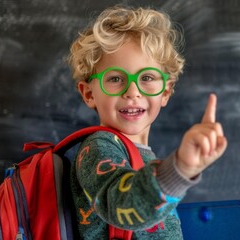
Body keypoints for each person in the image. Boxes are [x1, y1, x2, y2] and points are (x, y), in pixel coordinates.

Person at [66, 5, 227, 239]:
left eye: (148, 78)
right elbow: (122, 205)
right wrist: (180, 169)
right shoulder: (98, 148)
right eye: (115, 78)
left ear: (166, 91)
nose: (133, 91)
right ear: (89, 94)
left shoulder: (142, 156)